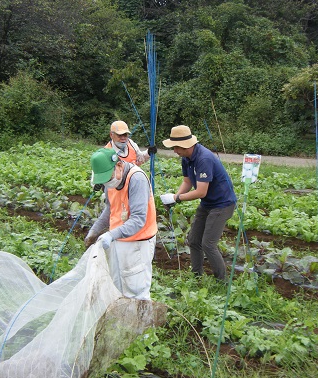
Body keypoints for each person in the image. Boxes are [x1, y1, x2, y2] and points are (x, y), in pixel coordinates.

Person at [160, 125, 237, 282]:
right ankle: (196, 276)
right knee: (194, 240)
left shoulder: (204, 159)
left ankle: (222, 281)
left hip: (222, 204)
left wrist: (177, 199)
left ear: (185, 145)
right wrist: (174, 196)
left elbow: (201, 191)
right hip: (208, 203)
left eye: (176, 147)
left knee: (208, 244)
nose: (174, 151)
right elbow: (187, 182)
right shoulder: (186, 158)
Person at [84, 148, 157, 300]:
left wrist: (111, 234)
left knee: (136, 289)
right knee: (118, 286)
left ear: (119, 165)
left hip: (138, 242)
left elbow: (138, 220)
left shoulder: (136, 179)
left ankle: (140, 322)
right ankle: (123, 322)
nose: (107, 182)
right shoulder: (110, 182)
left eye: (108, 177)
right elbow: (111, 209)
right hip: (118, 239)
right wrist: (94, 232)